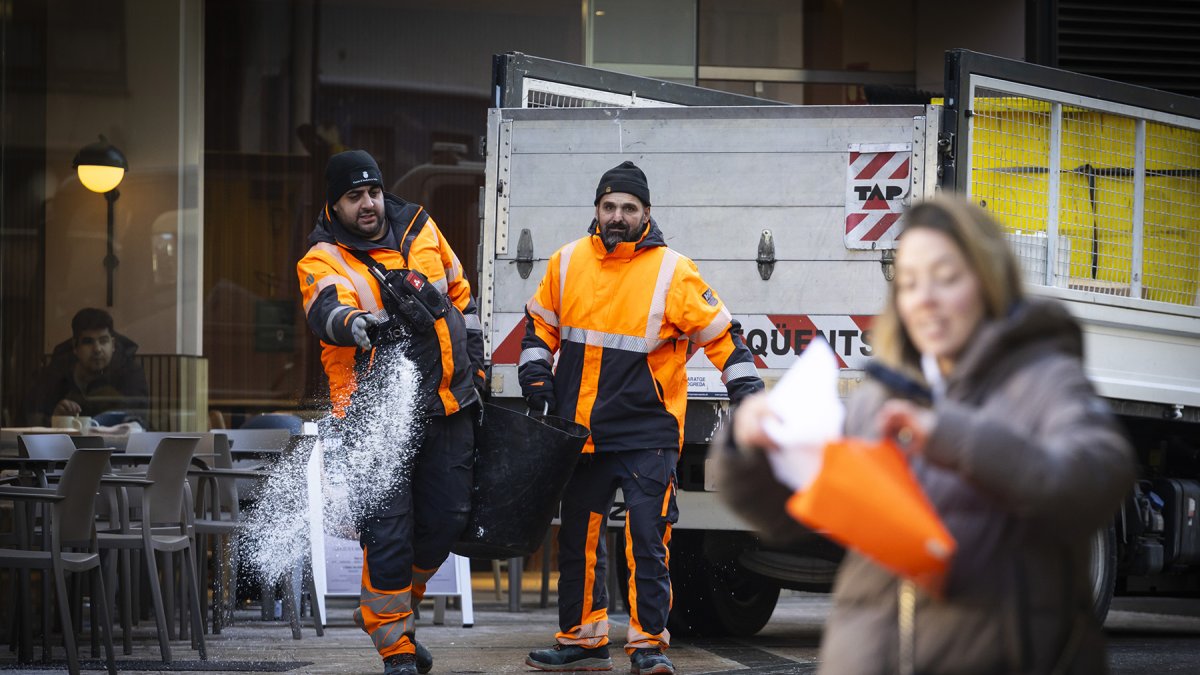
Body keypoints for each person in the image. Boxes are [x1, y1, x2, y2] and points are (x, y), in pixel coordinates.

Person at [715, 196, 1135, 674]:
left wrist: (957, 438)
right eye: (910, 283)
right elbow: (787, 519)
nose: (925, 299)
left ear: (988, 278)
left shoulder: (1042, 379)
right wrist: (749, 449)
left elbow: (1098, 476)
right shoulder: (881, 395)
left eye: (946, 278)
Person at [520, 161, 764, 675]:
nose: (617, 216)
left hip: (647, 432)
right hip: (581, 431)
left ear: (646, 214)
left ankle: (648, 644)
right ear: (596, 210)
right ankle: (582, 641)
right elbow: (540, 327)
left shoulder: (674, 271)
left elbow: (721, 334)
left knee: (647, 539)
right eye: (609, 206)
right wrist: (536, 379)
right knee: (577, 542)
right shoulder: (567, 262)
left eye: (628, 208)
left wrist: (744, 386)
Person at [296, 149, 484, 675]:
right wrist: (356, 324)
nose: (368, 204)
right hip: (374, 419)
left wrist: (479, 368)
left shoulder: (422, 227)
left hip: (448, 404)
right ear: (334, 205)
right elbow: (324, 308)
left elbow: (461, 297)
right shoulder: (322, 256)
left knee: (449, 519)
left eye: (373, 192)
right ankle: (394, 644)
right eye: (354, 197)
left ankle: (393, 605)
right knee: (389, 531)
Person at [26, 307, 149, 427]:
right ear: (75, 346)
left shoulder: (130, 372)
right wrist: (56, 420)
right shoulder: (57, 373)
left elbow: (136, 420)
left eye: (103, 340)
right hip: (65, 445)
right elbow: (33, 419)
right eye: (88, 342)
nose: (97, 349)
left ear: (113, 345)